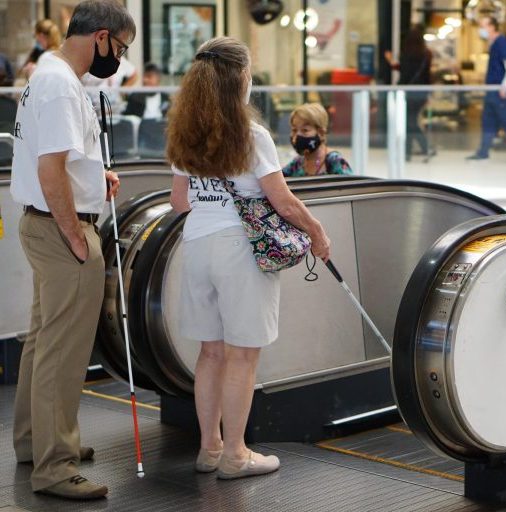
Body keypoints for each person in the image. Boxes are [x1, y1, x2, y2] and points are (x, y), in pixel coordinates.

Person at [167, 36, 330, 480]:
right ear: (240, 77)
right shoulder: (251, 134)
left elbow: (179, 201)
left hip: (196, 247)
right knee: (242, 357)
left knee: (211, 353)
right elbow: (282, 200)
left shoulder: (185, 131)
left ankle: (210, 448)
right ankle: (237, 456)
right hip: (240, 251)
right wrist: (315, 230)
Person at [9, 0, 135, 500]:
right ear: (100, 37)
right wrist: (75, 236)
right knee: (62, 352)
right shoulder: (62, 85)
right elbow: (49, 170)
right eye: (120, 48)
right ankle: (55, 467)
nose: (119, 59)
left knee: (43, 343)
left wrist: (91, 177)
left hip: (41, 223)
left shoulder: (48, 74)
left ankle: (36, 441)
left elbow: (58, 159)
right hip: (62, 230)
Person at [385, 25, 434, 161]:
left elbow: (404, 73)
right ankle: (411, 152)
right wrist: (429, 94)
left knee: (410, 123)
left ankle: (420, 149)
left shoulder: (406, 53)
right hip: (421, 93)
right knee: (410, 122)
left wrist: (391, 63)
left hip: (407, 93)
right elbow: (427, 76)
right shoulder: (427, 54)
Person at [467, 16, 506, 160]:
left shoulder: (501, 42)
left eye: (483, 26)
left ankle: (483, 152)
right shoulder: (492, 44)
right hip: (491, 90)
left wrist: (505, 86)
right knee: (488, 121)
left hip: (500, 91)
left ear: (492, 26)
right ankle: (483, 152)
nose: (481, 29)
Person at [282, 102, 352, 177]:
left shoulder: (335, 161)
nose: (297, 136)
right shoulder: (297, 163)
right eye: (294, 130)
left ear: (321, 133)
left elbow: (350, 187)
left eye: (305, 130)